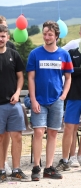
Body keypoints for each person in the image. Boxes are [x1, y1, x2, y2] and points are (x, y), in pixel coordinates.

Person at [26, 21, 73, 181]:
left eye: (50, 34)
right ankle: (36, 167)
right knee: (39, 132)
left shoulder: (64, 55)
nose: (46, 37)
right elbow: (30, 78)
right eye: (45, 34)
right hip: (39, 100)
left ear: (56, 36)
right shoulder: (35, 54)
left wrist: (64, 95)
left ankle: (49, 168)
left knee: (53, 133)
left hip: (56, 100)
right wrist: (33, 99)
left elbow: (68, 77)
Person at [55, 21, 81, 173]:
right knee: (68, 128)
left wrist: (79, 70)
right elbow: (69, 72)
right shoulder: (71, 52)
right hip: (73, 96)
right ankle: (66, 159)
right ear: (79, 34)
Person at [0, 24, 30, 182]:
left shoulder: (14, 54)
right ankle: (1, 171)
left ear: (8, 37)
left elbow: (21, 77)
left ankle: (16, 169)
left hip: (14, 104)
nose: (0, 38)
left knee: (17, 137)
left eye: (3, 36)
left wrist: (18, 92)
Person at [0, 15, 17, 176]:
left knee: (5, 134)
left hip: (7, 100)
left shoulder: (11, 48)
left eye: (4, 28)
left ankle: (3, 162)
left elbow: (16, 73)